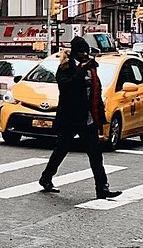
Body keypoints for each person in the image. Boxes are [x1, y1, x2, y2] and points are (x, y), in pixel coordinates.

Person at [38, 35, 121, 199]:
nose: (85, 55)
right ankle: (46, 178)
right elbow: (67, 87)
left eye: (87, 51)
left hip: (87, 118)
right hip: (69, 118)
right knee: (61, 150)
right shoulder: (65, 68)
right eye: (82, 52)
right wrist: (82, 71)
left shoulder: (91, 67)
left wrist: (99, 112)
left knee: (95, 154)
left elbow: (96, 90)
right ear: (75, 53)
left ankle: (102, 188)